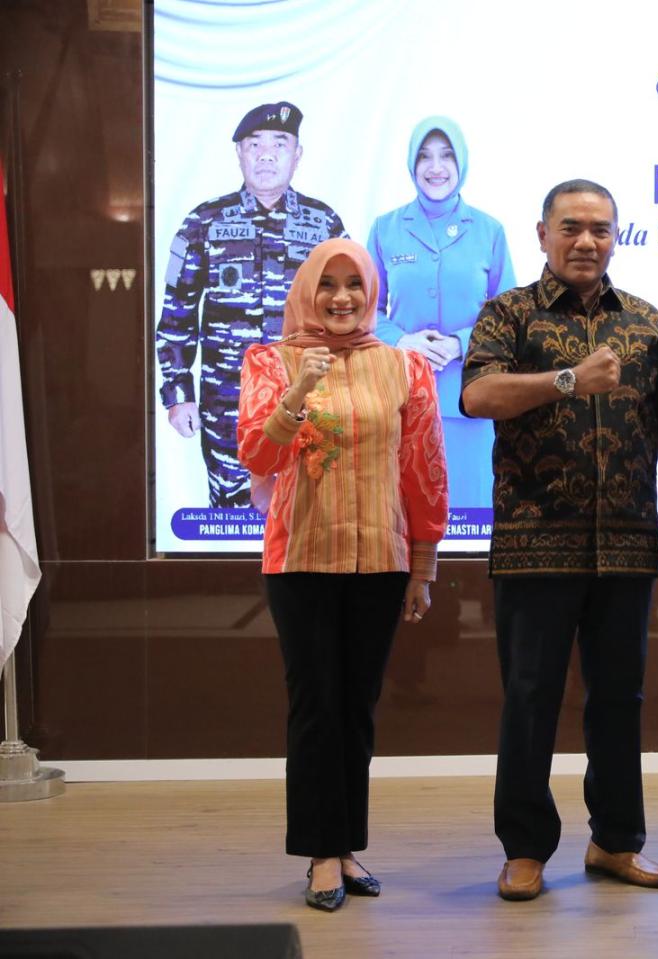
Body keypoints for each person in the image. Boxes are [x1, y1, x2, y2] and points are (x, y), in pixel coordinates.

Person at [460, 179, 658, 902]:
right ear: (542, 234)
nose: (586, 241)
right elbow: (476, 396)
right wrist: (567, 379)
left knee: (619, 699)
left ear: (615, 237)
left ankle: (616, 841)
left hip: (628, 543)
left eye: (600, 229)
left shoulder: (646, 323)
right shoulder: (509, 313)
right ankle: (525, 849)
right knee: (530, 698)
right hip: (534, 542)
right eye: (571, 227)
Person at [237, 238, 448, 912]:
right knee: (315, 707)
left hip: (381, 560)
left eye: (353, 284)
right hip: (300, 559)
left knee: (356, 707)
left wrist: (423, 564)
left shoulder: (405, 367)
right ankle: (320, 853)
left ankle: (348, 845)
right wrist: (298, 391)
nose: (341, 298)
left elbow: (424, 468)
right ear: (307, 291)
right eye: (327, 285)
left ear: (371, 292)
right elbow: (256, 455)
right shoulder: (270, 361)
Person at [158, 101, 347, 508]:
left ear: (297, 154)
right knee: (231, 522)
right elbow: (176, 315)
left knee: (309, 517)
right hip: (228, 408)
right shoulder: (203, 222)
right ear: (239, 153)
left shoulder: (325, 225)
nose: (266, 154)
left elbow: (348, 319)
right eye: (254, 144)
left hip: (309, 406)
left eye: (279, 143)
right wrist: (178, 394)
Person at [367, 116, 516, 509]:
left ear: (461, 161)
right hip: (401, 403)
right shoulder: (385, 229)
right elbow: (364, 311)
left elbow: (510, 317)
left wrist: (460, 343)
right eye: (425, 156)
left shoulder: (489, 231)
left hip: (471, 406)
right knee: (404, 521)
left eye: (446, 155)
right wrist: (402, 340)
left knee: (470, 522)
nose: (436, 167)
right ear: (412, 164)